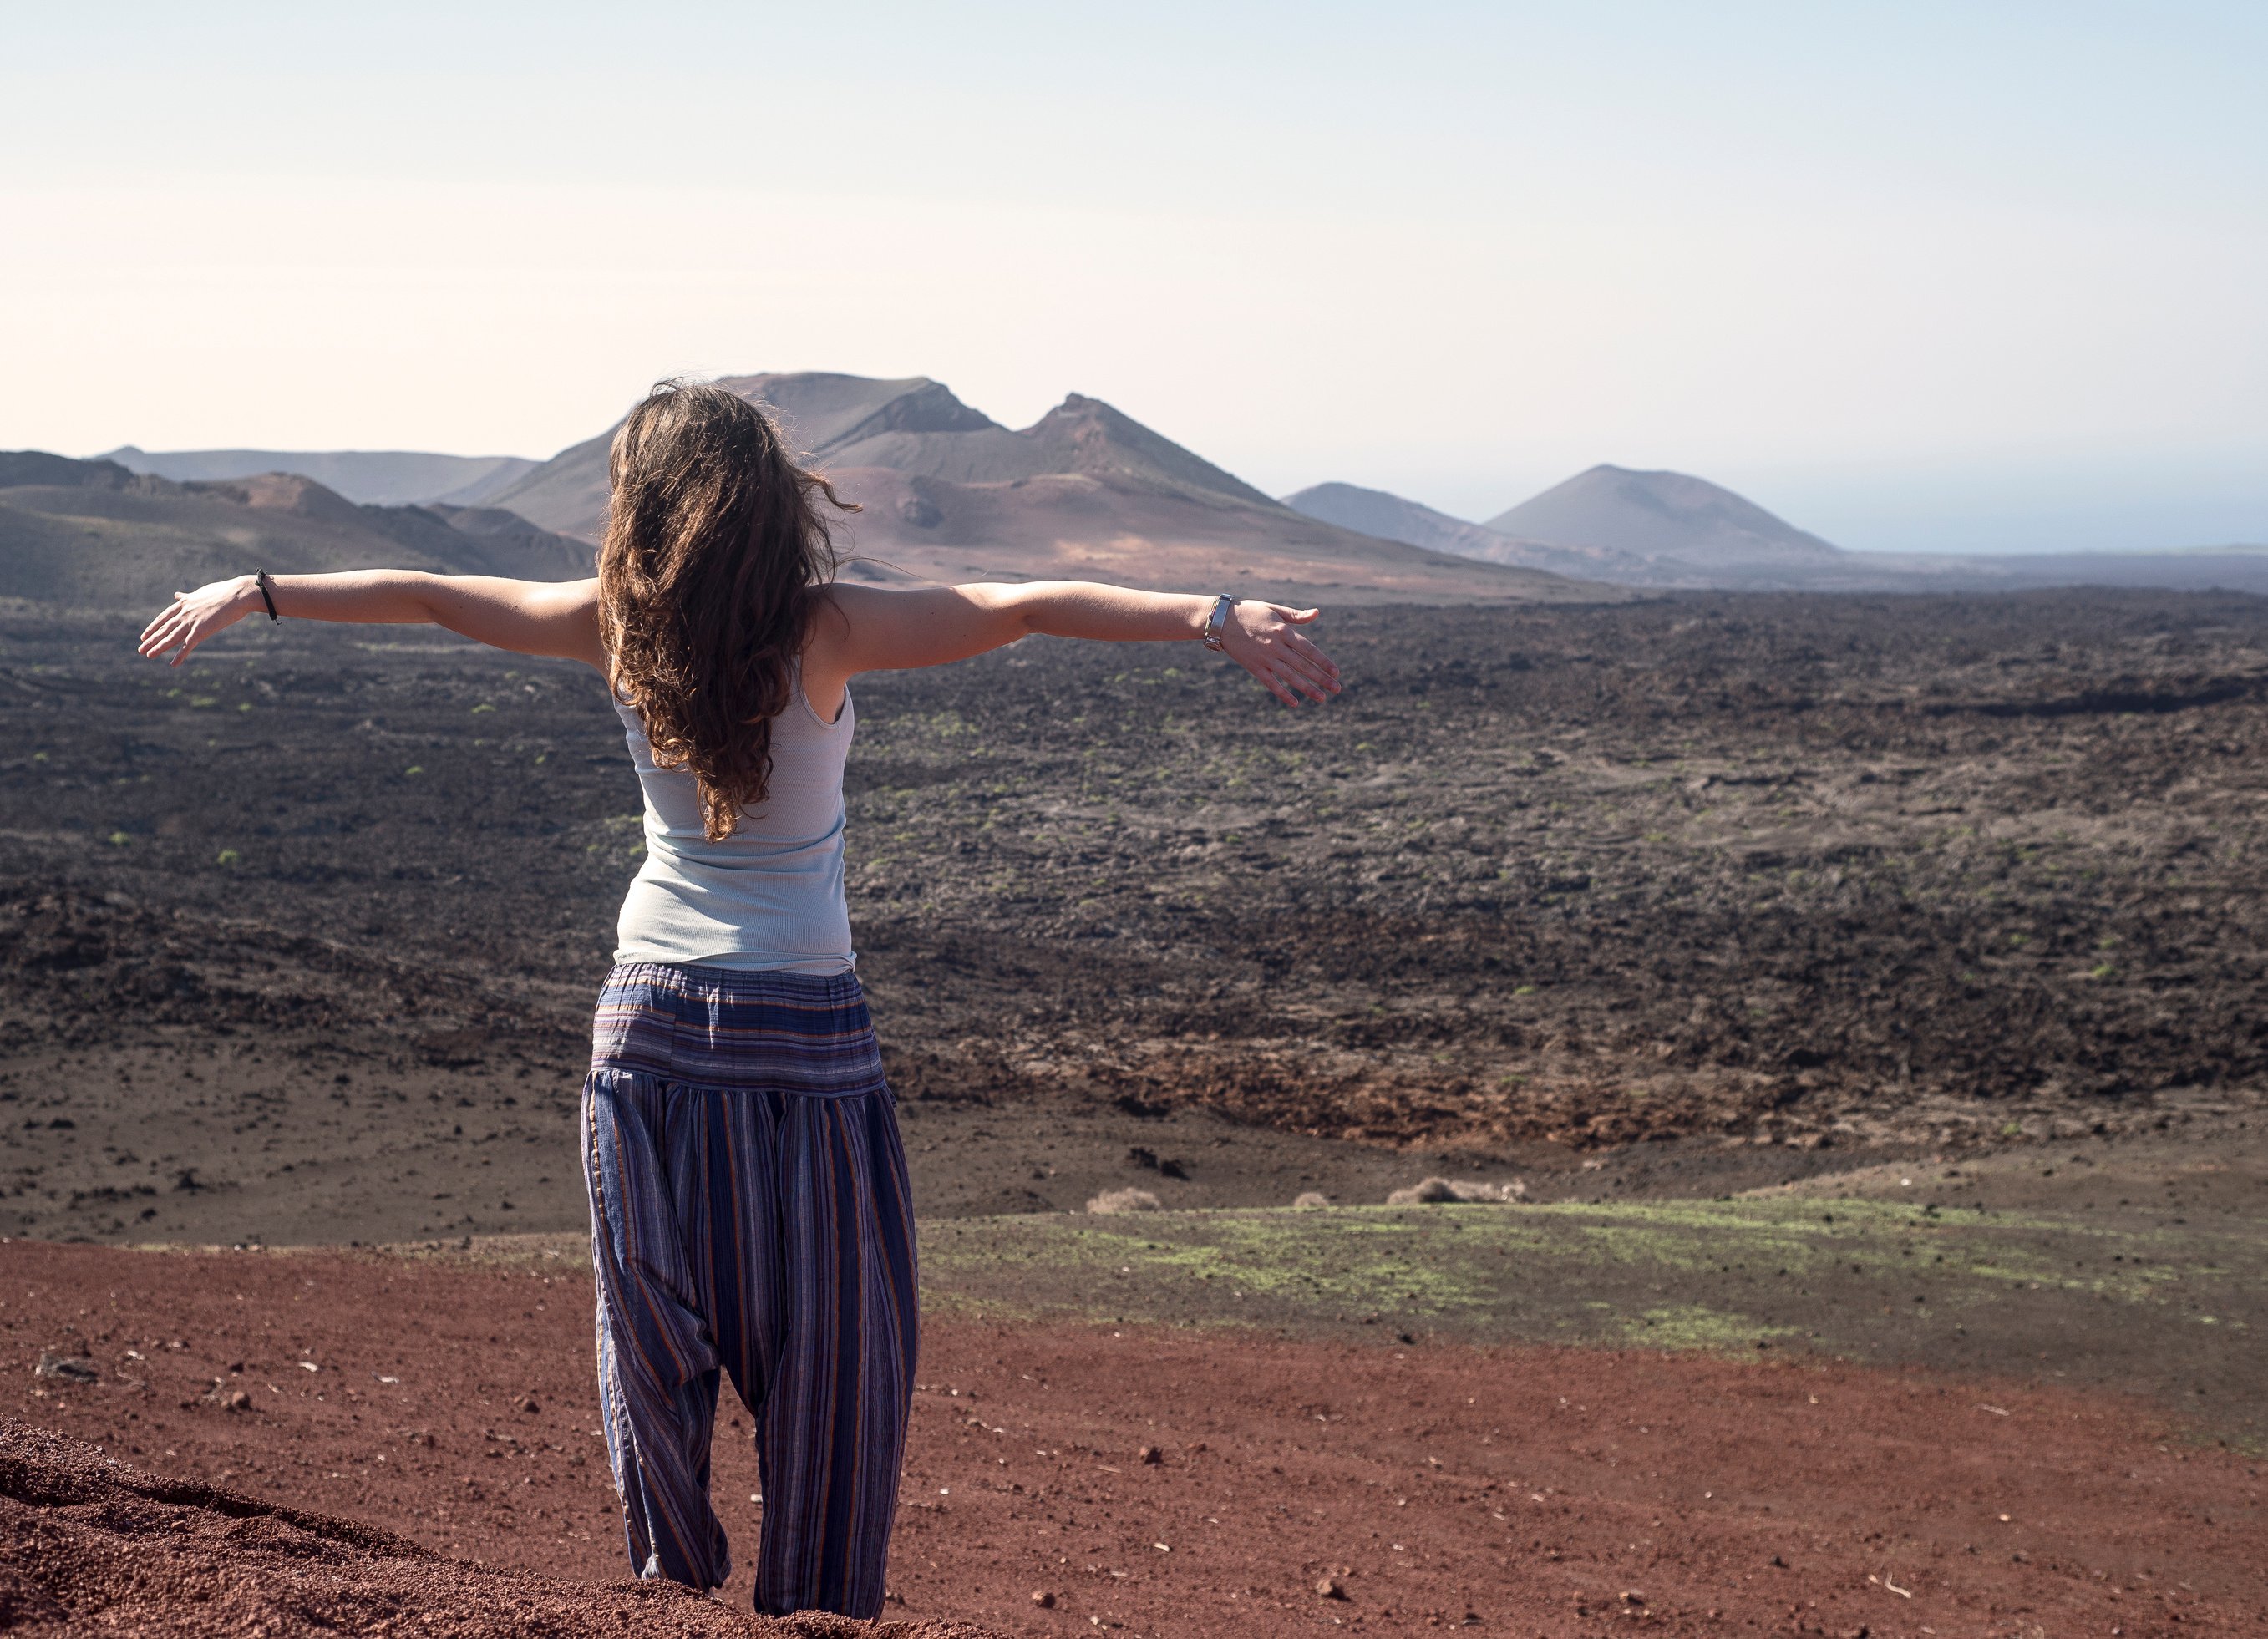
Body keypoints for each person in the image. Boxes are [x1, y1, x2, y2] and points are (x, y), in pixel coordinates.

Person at [137, 378, 1342, 1617]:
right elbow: (1017, 603)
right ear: (768, 504)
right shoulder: (829, 627)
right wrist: (1214, 615)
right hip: (805, 1043)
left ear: (644, 512)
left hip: (646, 1031)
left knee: (649, 1344)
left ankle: (672, 1592)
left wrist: (264, 589)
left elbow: (439, 596)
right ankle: (810, 1607)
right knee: (836, 1367)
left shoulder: (616, 626)